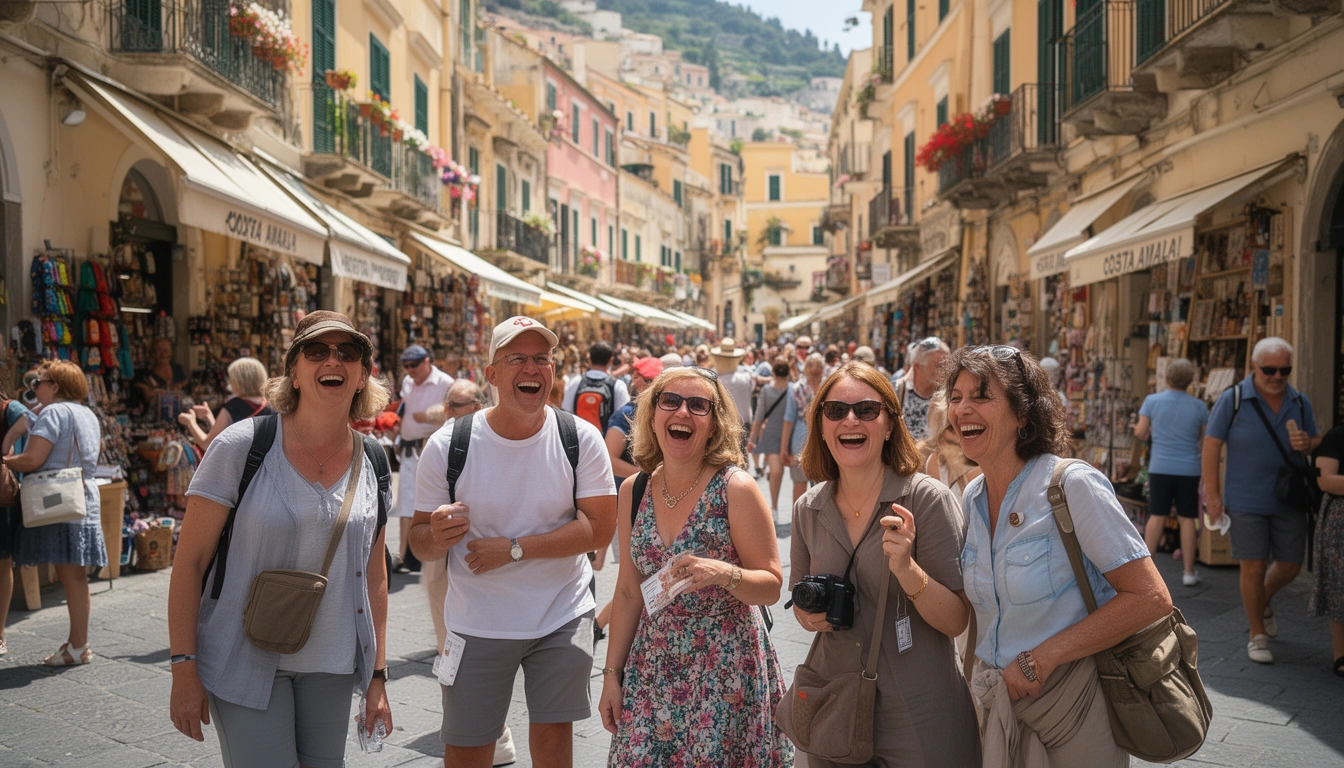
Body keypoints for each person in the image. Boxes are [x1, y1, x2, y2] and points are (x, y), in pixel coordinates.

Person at [167, 311, 393, 766]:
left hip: (332, 663)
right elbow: (189, 562)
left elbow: (375, 575)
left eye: (348, 353)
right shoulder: (240, 447)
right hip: (243, 658)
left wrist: (377, 676)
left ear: (362, 375)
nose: (333, 361)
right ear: (294, 371)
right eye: (316, 351)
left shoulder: (373, 459)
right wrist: (183, 666)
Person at [945, 345, 1172, 764]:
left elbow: (1150, 598)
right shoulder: (972, 495)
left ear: (1023, 414)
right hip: (998, 706)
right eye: (955, 397)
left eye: (981, 396)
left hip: (1074, 703)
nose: (962, 409)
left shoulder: (1071, 485)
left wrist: (1042, 658)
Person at [410, 316, 617, 768]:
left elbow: (600, 528)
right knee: (467, 750)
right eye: (517, 358)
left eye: (542, 359)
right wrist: (437, 536)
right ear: (491, 374)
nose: (532, 368)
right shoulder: (448, 445)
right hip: (477, 622)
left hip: (562, 615)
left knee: (553, 746)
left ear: (553, 371)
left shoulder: (580, 438)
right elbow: (419, 542)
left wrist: (515, 549)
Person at [788, 361, 978, 767]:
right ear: (821, 425)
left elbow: (956, 620)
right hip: (835, 706)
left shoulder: (926, 499)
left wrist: (908, 570)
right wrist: (809, 615)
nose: (850, 420)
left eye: (866, 410)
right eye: (835, 410)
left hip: (919, 710)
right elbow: (801, 607)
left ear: (890, 424)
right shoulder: (808, 508)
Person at [600, 367, 791, 765]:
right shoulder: (634, 490)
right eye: (670, 401)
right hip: (652, 668)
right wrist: (612, 675)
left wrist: (725, 573)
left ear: (714, 423)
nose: (682, 412)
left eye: (698, 405)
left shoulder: (735, 487)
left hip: (726, 670)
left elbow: (771, 585)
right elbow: (628, 592)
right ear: (652, 415)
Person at [1203, 337, 1321, 663]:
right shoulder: (1234, 399)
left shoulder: (1299, 402)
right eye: (1270, 370)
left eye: (1285, 370)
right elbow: (1211, 445)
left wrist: (1308, 443)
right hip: (1245, 499)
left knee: (1291, 565)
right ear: (1254, 366)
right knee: (1253, 566)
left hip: (1290, 497)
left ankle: (1260, 600)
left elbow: (1315, 440)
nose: (1277, 376)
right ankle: (1257, 635)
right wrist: (1213, 496)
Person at [2, 361, 106, 666]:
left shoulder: (53, 413)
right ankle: (78, 643)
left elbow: (33, 459)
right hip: (83, 497)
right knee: (76, 575)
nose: (35, 389)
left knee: (70, 575)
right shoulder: (87, 414)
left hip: (59, 499)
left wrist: (5, 461)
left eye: (39, 383)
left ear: (56, 386)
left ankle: (78, 645)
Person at [1134, 359, 1207, 587]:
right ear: (1191, 380)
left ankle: (1146, 573)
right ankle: (1188, 572)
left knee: (1157, 516)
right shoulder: (1199, 406)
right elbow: (1205, 439)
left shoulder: (1152, 401)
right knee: (1188, 519)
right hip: (1189, 468)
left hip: (1160, 467)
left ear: (1167, 378)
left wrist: (1141, 431)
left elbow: (1141, 432)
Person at [393, 344, 454, 574]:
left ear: (427, 361)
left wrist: (428, 416)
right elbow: (404, 407)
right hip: (409, 449)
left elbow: (453, 413)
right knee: (406, 504)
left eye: (414, 365)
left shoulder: (445, 382)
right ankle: (403, 554)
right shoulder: (408, 382)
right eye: (406, 366)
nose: (410, 370)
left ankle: (433, 556)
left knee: (432, 503)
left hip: (432, 449)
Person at [178, 357, 273, 452]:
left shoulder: (233, 407)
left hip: (240, 460)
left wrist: (191, 423)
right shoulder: (271, 405)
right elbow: (223, 434)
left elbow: (209, 445)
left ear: (238, 381)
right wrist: (209, 418)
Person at [0, 390, 32, 657]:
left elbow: (28, 419)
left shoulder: (7, 406)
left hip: (2, 498)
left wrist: (7, 443)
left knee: (2, 562)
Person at [1312, 423, 1344, 678]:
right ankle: (1340, 653)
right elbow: (1325, 480)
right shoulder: (1337, 436)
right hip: (1339, 517)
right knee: (1338, 584)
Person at [749, 358, 793, 517]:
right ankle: (775, 507)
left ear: (773, 373)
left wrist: (752, 439)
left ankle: (774, 508)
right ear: (788, 373)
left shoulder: (769, 390)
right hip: (788, 435)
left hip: (774, 435)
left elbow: (758, 417)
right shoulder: (793, 389)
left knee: (776, 471)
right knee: (781, 472)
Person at [921, 390, 981, 504]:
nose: (959, 433)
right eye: (952, 428)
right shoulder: (935, 461)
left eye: (965, 426)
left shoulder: (981, 464)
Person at [781, 353, 825, 506]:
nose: (814, 369)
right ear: (805, 368)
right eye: (811, 365)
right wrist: (784, 448)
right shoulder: (796, 388)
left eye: (818, 365)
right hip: (802, 439)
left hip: (822, 440)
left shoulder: (828, 386)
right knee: (800, 482)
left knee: (822, 484)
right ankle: (799, 518)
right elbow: (789, 419)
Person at [563, 341, 631, 436]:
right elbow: (623, 417)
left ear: (589, 359)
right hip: (605, 440)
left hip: (578, 439)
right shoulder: (617, 385)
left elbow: (566, 412)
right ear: (610, 360)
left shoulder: (576, 381)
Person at [712, 337, 755, 457]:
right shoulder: (745, 378)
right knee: (741, 458)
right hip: (742, 424)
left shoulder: (714, 379)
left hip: (721, 426)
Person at [132, 337, 189, 411]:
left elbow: (187, 387)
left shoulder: (178, 369)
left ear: (171, 352)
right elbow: (146, 396)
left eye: (166, 351)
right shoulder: (144, 375)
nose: (163, 354)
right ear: (152, 353)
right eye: (158, 351)